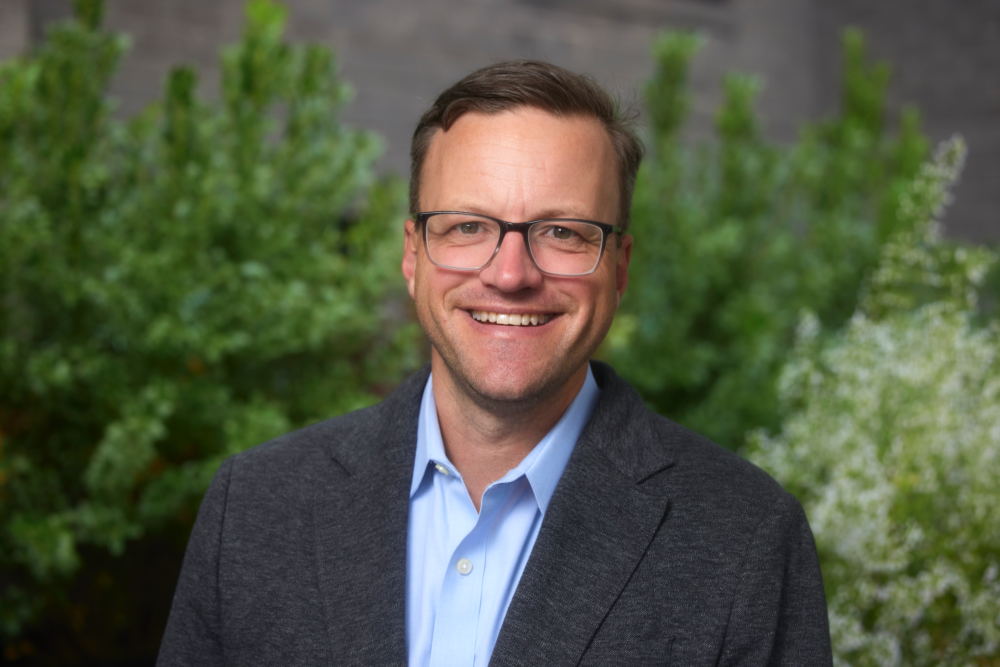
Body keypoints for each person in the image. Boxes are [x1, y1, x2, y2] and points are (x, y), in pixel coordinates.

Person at [157, 61, 832, 667]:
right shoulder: (254, 508)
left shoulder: (745, 540)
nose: (510, 275)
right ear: (413, 255)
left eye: (563, 232)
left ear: (620, 267)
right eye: (467, 227)